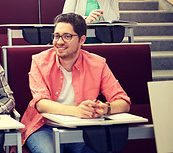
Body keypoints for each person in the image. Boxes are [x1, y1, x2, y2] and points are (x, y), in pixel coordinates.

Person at [20, 13, 131, 153]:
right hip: (43, 127)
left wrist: (106, 108)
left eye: (67, 36)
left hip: (82, 128)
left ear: (82, 39)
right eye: (56, 36)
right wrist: (76, 111)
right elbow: (41, 103)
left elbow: (123, 101)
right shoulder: (39, 61)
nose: (59, 41)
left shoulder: (98, 64)